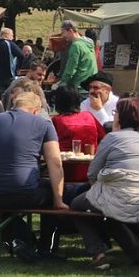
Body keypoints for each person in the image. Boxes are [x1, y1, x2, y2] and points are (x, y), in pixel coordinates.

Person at [0, 92, 68, 262]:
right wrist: (59, 200)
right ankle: (45, 248)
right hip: (24, 192)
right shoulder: (43, 124)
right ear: (36, 110)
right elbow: (55, 163)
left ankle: (21, 240)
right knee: (50, 194)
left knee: (3, 203)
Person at [70, 97, 139, 269]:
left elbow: (92, 173)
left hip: (115, 193)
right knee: (108, 211)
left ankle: (98, 253)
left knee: (77, 205)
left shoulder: (112, 138)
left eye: (115, 112)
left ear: (121, 117)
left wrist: (99, 187)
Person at [51, 86, 105, 183]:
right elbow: (103, 137)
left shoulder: (57, 120)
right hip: (92, 170)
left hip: (66, 172)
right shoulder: (89, 116)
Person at [59, 20, 97, 89]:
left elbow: (70, 69)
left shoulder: (76, 46)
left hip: (79, 86)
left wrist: (62, 83)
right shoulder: (89, 42)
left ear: (70, 31)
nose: (63, 36)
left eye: (63, 32)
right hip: (92, 84)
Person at [0, 27, 24, 98]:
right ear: (7, 35)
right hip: (9, 76)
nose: (13, 38)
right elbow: (21, 55)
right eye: (12, 35)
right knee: (9, 98)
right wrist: (18, 67)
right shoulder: (10, 44)